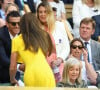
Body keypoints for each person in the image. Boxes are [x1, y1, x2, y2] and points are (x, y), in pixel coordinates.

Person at [9, 12, 56, 87]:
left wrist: (12, 79)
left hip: (30, 76)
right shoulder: (44, 35)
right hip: (47, 73)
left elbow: (13, 67)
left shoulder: (16, 40)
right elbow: (47, 54)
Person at [37, 2, 70, 82]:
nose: (42, 14)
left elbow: (66, 47)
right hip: (41, 66)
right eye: (40, 12)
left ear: (50, 13)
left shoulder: (60, 26)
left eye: (45, 12)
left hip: (58, 65)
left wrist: (60, 59)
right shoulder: (36, 28)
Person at [0, 11, 22, 84]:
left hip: (17, 74)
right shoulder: (1, 35)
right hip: (2, 75)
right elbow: (3, 58)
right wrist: (18, 66)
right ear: (7, 24)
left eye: (19, 23)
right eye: (13, 24)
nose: (17, 26)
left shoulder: (23, 34)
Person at [79, 17, 100, 87]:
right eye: (82, 27)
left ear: (93, 31)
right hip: (78, 77)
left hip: (95, 79)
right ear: (79, 29)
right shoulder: (72, 44)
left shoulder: (98, 46)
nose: (84, 30)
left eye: (87, 28)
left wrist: (97, 74)